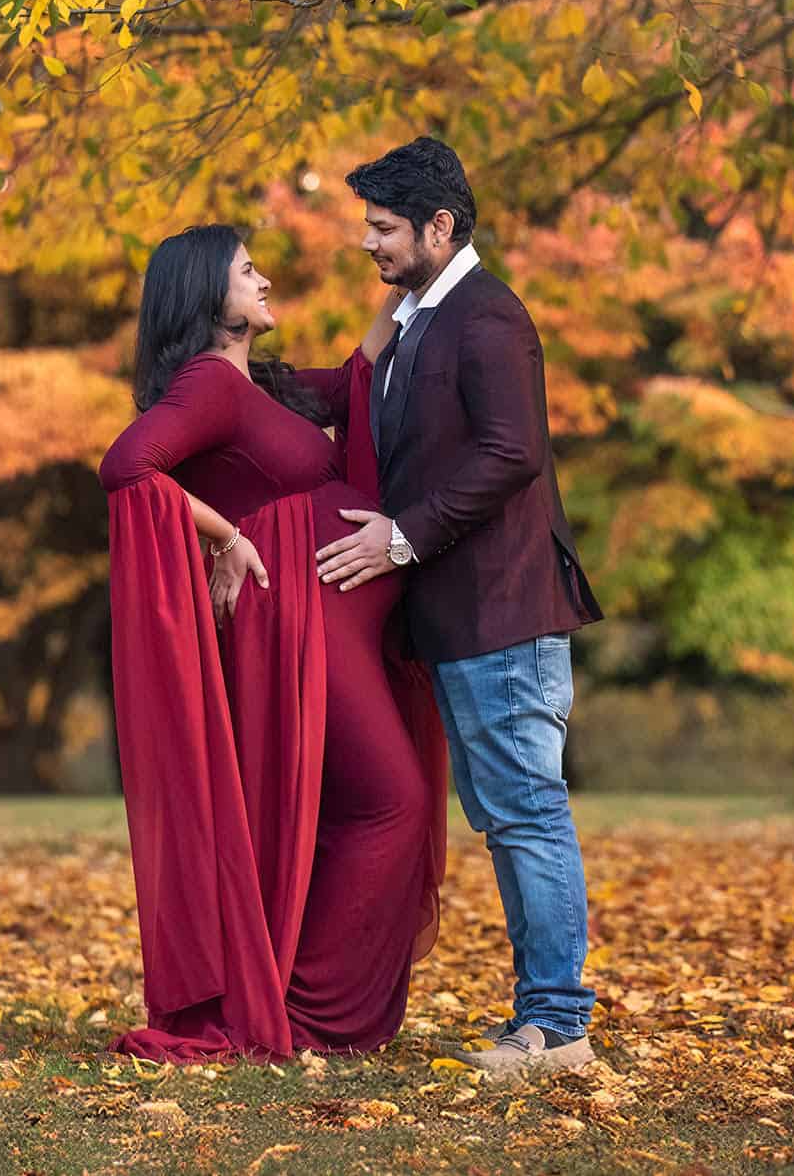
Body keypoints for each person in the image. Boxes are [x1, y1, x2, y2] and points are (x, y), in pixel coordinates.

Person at [97, 224, 446, 1062]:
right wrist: (224, 536)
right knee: (392, 801)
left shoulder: (266, 389)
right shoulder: (208, 386)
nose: (264, 280)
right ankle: (297, 1013)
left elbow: (358, 376)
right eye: (246, 271)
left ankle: (294, 994)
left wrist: (429, 265)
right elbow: (126, 467)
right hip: (295, 625)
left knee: (344, 810)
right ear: (206, 298)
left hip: (338, 628)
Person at [314, 136, 605, 1080]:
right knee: (510, 816)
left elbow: (510, 453)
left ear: (441, 227)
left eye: (385, 228)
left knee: (527, 812)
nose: (370, 243)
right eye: (369, 226)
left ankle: (558, 1027)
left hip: (504, 613)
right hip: (463, 618)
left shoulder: (486, 318)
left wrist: (401, 535)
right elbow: (359, 403)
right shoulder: (416, 315)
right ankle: (546, 1018)